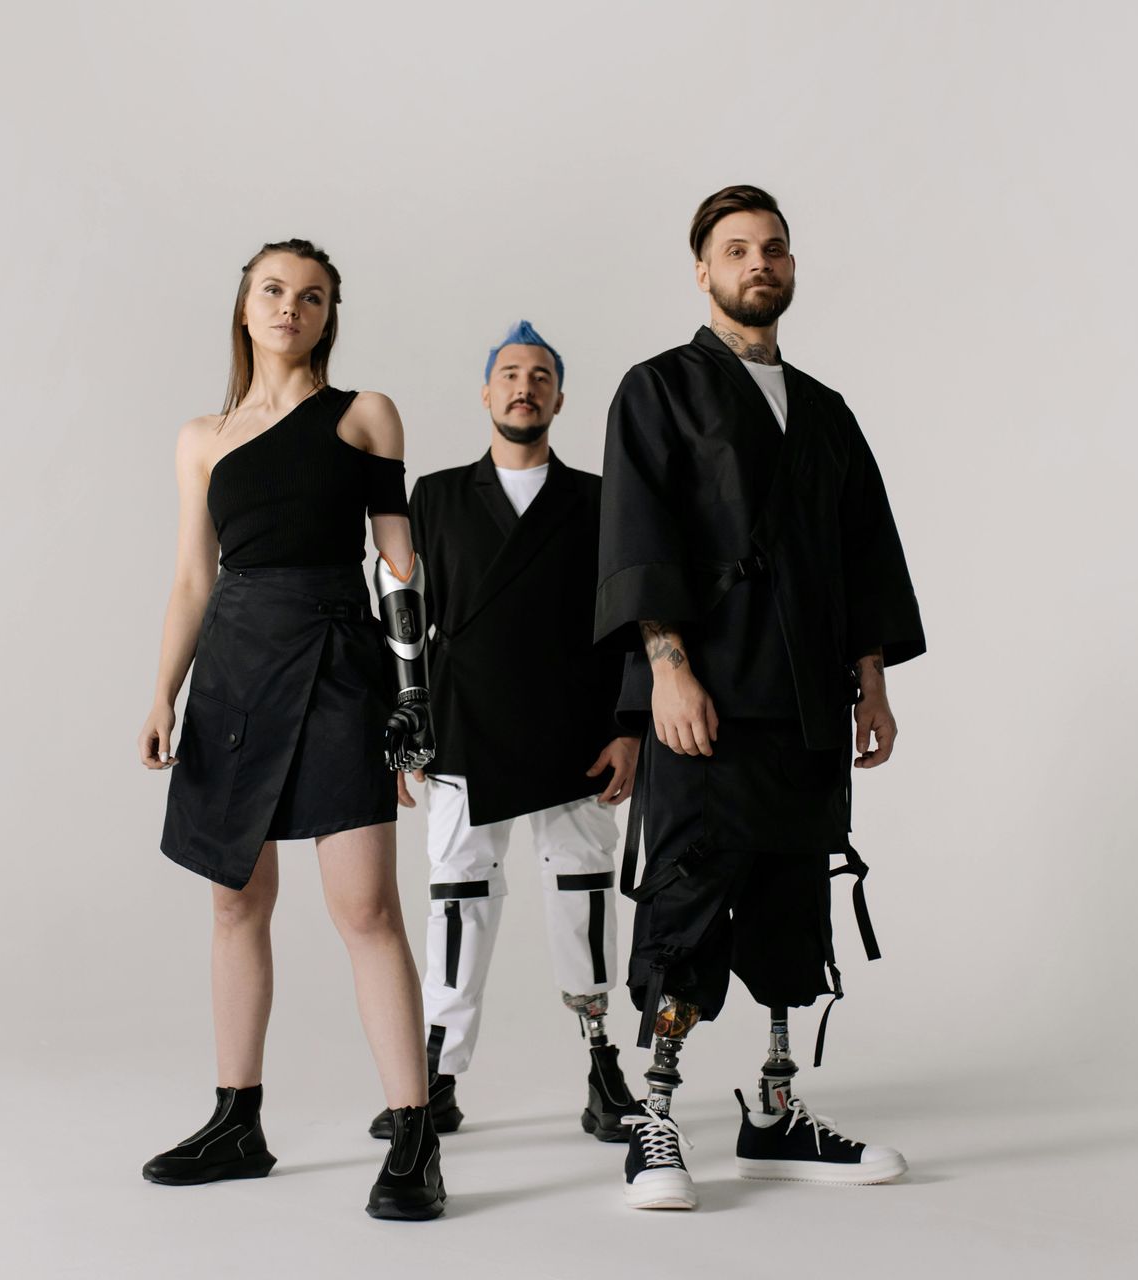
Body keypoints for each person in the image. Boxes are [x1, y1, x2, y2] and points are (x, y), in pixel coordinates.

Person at [595, 186, 927, 1210]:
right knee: (688, 897)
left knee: (792, 899)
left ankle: (775, 1112)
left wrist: (870, 683)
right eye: (737, 248)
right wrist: (667, 664)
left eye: (774, 247)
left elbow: (860, 551)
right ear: (702, 269)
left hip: (807, 705)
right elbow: (641, 533)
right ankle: (653, 1121)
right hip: (708, 696)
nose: (760, 262)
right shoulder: (657, 390)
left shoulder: (825, 411)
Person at [136, 238, 446, 1221]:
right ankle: (238, 1120)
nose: (290, 307)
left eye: (311, 296)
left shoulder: (365, 416)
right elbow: (194, 576)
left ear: (327, 316)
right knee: (236, 900)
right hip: (231, 671)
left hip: (335, 665)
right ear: (243, 306)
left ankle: (413, 1134)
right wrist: (163, 693)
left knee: (366, 909)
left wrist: (414, 695)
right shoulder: (201, 437)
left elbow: (400, 563)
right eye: (273, 290)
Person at [368, 321, 646, 1145]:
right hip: (463, 722)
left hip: (576, 728)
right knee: (457, 899)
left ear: (560, 397)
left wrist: (630, 730)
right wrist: (407, 725)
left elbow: (633, 620)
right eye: (510, 375)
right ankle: (437, 1075)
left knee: (583, 893)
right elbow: (402, 611)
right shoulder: (439, 496)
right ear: (487, 394)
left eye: (541, 376)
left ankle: (602, 1065)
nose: (525, 387)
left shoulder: (602, 500)